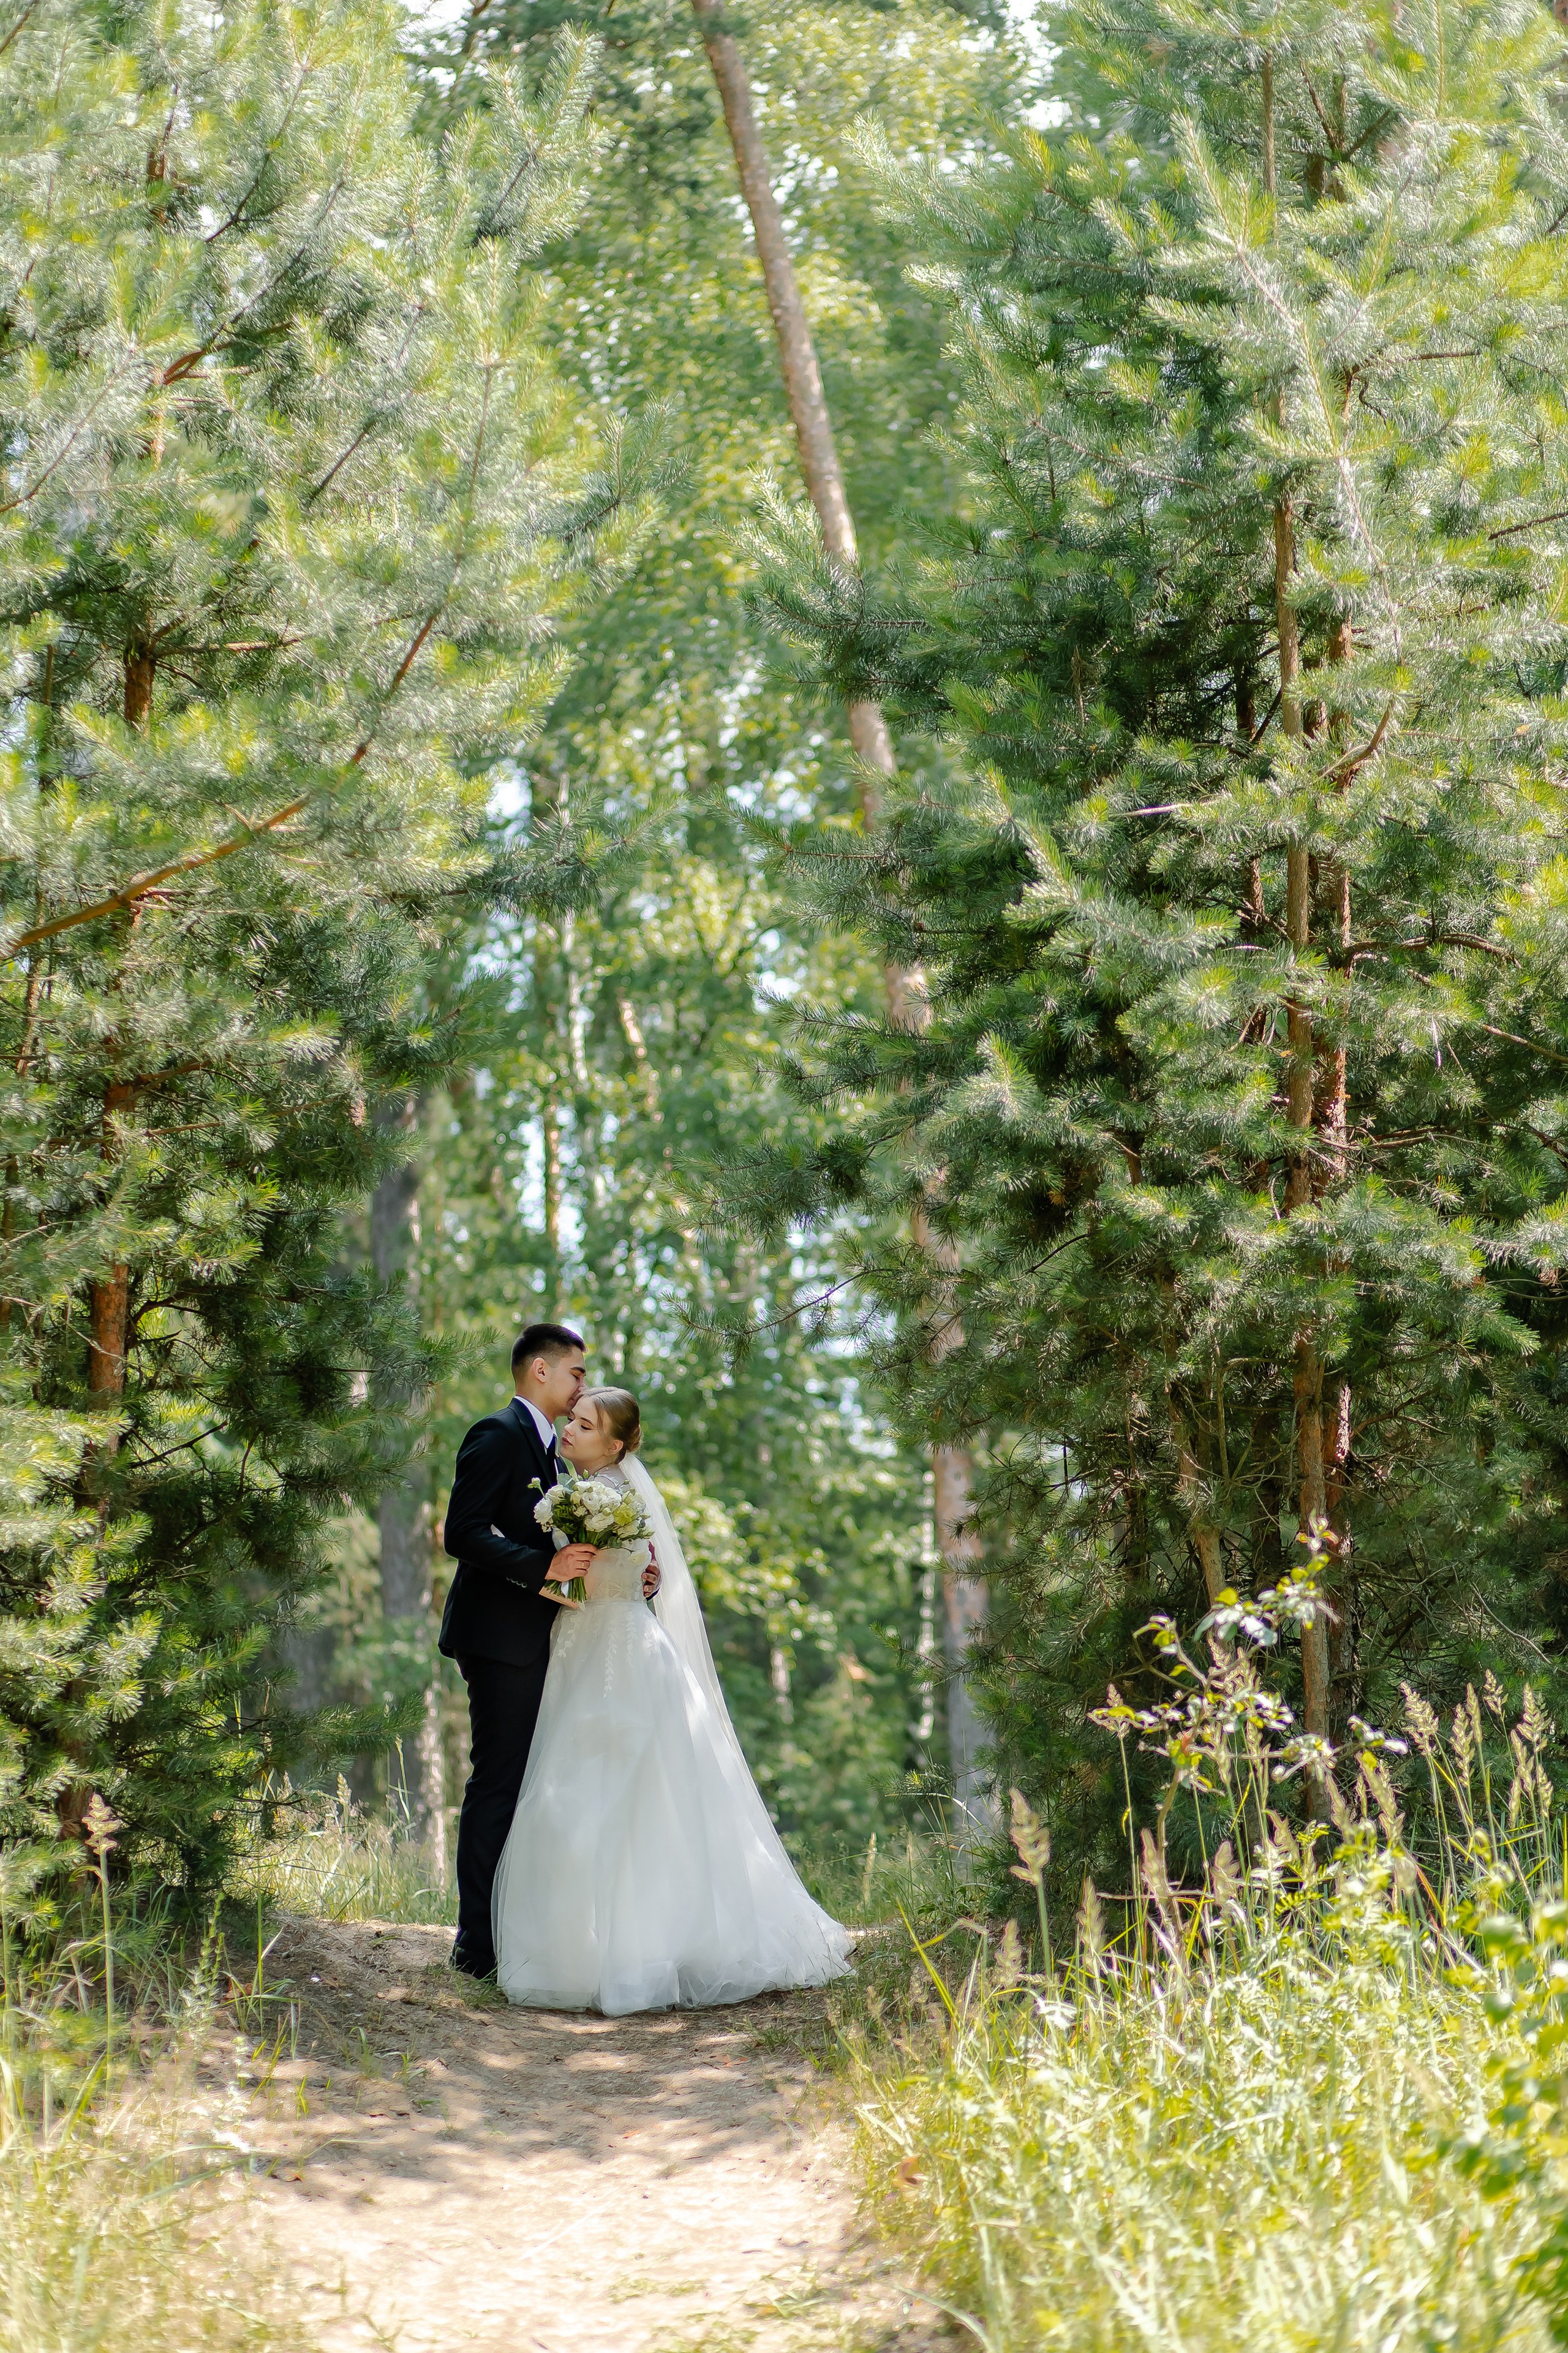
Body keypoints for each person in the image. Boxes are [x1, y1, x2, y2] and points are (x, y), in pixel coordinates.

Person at [492, 1385, 852, 2014]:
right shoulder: (584, 1493)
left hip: (616, 1647)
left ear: (616, 1444)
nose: (569, 1430)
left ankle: (631, 1950)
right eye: (571, 1419)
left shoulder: (603, 1499)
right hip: (586, 1644)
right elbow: (626, 1568)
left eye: (585, 1424)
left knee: (616, 1791)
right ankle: (589, 1947)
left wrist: (584, 1572)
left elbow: (611, 1573)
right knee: (590, 1789)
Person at [439, 1324, 660, 1980]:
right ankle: (475, 1947)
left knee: (528, 1786)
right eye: (576, 1375)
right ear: (540, 1370)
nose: (581, 1386)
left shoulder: (557, 1456)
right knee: (499, 1784)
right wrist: (545, 1566)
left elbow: (584, 1556)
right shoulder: (497, 1433)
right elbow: (463, 1532)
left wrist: (631, 1575)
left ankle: (514, 1931)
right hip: (500, 1639)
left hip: (545, 1639)